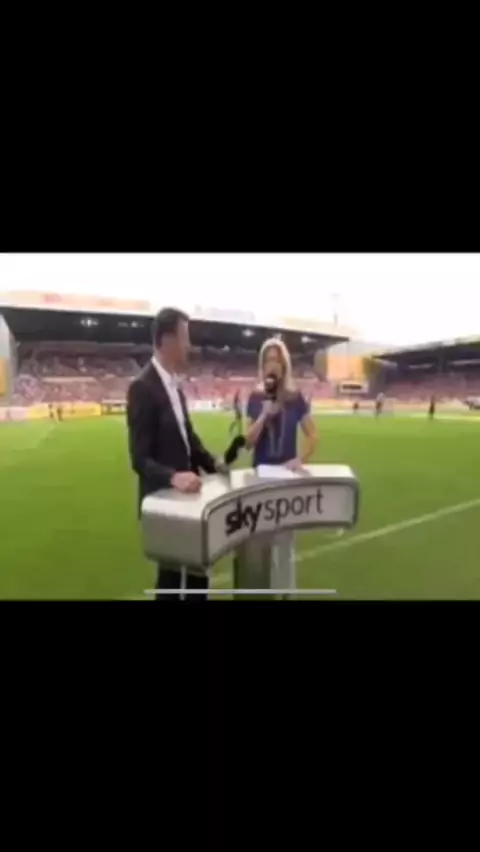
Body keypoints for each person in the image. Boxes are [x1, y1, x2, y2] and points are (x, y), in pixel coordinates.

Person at [127, 307, 223, 602]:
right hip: (165, 504)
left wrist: (214, 463)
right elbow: (139, 458)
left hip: (190, 502)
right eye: (185, 338)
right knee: (170, 583)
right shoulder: (142, 387)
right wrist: (173, 477)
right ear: (167, 340)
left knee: (197, 577)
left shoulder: (175, 388)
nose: (189, 345)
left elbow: (188, 439)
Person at [244, 337, 317, 592]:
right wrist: (264, 414)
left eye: (277, 360)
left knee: (285, 547)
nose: (272, 365)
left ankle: (287, 594)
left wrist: (301, 459)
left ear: (284, 364)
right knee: (259, 547)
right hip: (260, 481)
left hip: (286, 481)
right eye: (268, 360)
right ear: (262, 365)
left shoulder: (295, 398)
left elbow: (313, 435)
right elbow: (248, 442)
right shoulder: (255, 397)